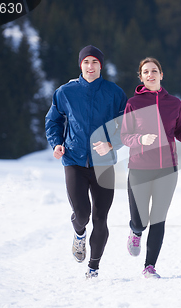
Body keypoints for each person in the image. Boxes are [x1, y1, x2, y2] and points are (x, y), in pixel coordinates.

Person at [45, 45, 128, 279]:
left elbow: (126, 125)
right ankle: (79, 234)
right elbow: (53, 120)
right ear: (80, 65)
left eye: (94, 62)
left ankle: (93, 267)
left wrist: (111, 143)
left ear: (101, 65)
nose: (90, 66)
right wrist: (57, 144)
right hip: (74, 160)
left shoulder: (114, 93)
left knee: (101, 218)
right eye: (86, 62)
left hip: (104, 163)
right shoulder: (66, 92)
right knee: (82, 213)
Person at [121, 57, 181, 279]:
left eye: (154, 71)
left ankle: (149, 266)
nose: (150, 74)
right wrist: (141, 140)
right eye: (146, 72)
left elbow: (180, 130)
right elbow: (125, 136)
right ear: (141, 77)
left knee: (158, 218)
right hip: (139, 169)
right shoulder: (133, 103)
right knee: (140, 219)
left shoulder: (174, 103)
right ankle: (135, 231)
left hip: (167, 170)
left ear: (161, 75)